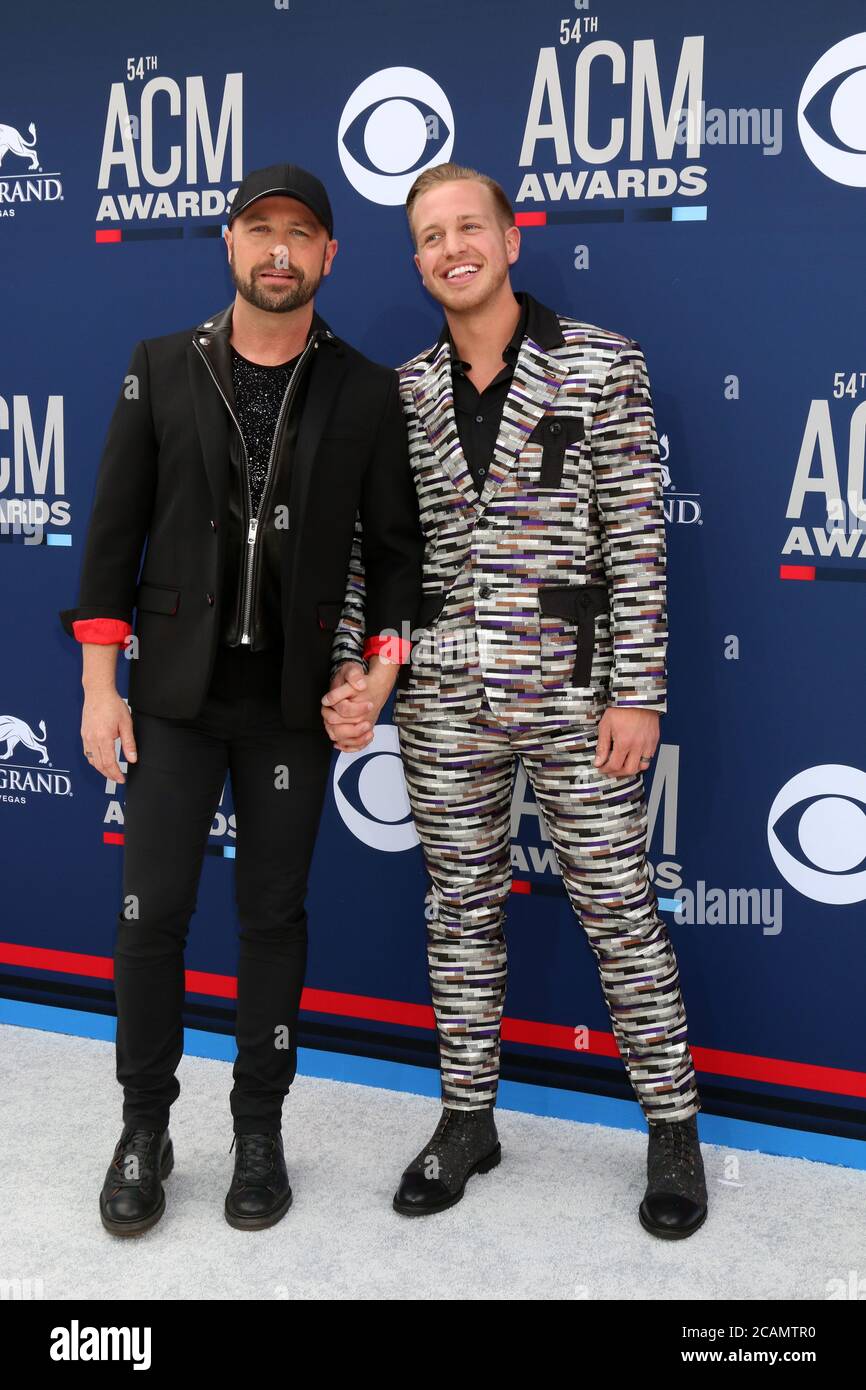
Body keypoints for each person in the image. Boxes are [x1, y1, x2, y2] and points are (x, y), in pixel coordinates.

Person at [322, 161, 707, 1239]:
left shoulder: (600, 363)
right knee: (459, 911)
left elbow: (637, 537)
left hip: (580, 695)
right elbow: (379, 560)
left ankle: (672, 1126)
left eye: (467, 227)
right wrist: (357, 666)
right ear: (416, 262)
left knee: (616, 906)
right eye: (430, 237)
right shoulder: (401, 393)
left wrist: (639, 692)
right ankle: (467, 1118)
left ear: (509, 238)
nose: (452, 248)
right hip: (443, 696)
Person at [59, 162, 422, 1235]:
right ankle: (144, 1125)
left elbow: (398, 561)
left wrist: (380, 674)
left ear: (328, 256)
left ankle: (258, 1130)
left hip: (290, 709)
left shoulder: (365, 389)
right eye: (260, 229)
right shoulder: (160, 367)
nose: (278, 250)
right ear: (229, 243)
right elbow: (111, 541)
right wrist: (99, 689)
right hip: (173, 701)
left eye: (299, 234)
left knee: (271, 918)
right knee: (152, 915)